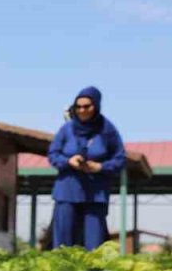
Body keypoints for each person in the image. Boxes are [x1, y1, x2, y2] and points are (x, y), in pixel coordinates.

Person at [47, 86, 126, 251]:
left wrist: (100, 167)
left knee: (94, 244)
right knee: (63, 243)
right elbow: (53, 155)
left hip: (95, 194)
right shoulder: (66, 130)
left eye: (87, 106)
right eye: (78, 107)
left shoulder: (107, 129)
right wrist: (69, 161)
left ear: (96, 106)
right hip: (67, 192)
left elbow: (120, 159)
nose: (82, 110)